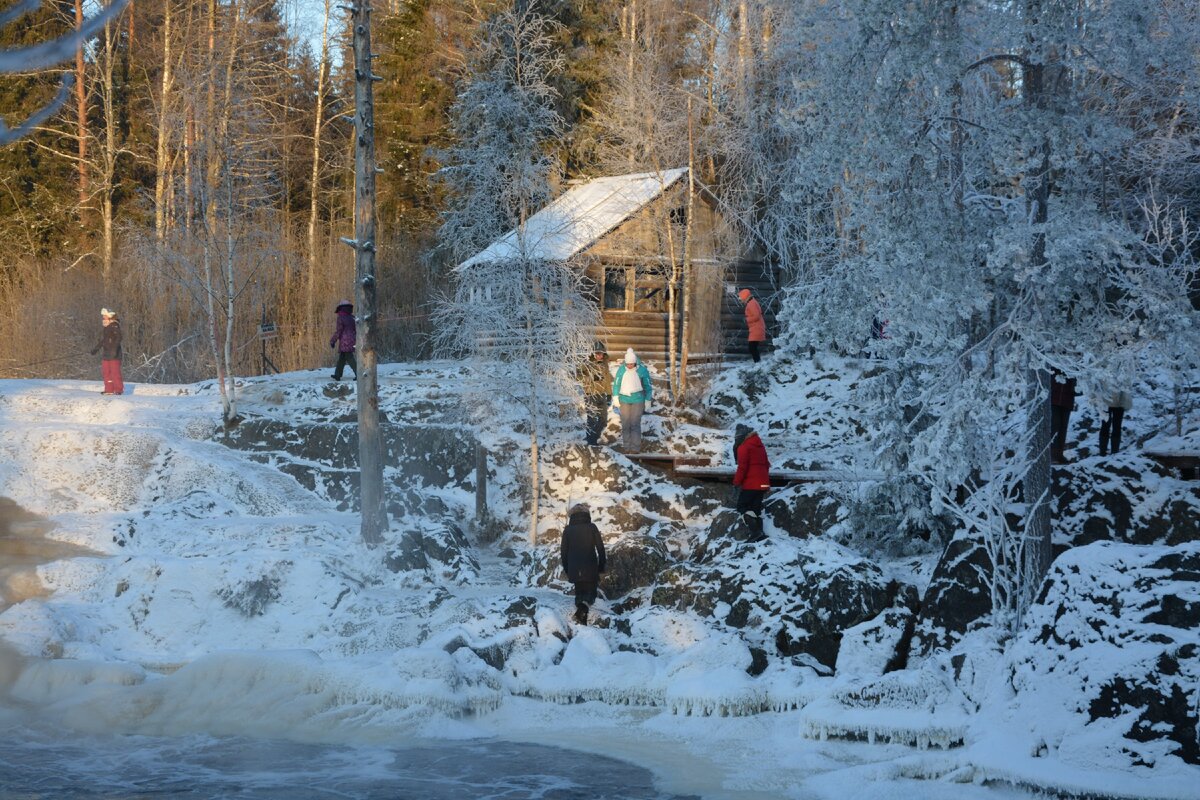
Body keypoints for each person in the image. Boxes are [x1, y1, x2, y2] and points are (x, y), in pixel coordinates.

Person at [560, 503, 606, 625]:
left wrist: (568, 569)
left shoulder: (567, 530)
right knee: (590, 595)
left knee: (580, 595)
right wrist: (601, 567)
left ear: (572, 515)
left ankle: (581, 624)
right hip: (590, 568)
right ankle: (580, 619)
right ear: (586, 514)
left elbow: (563, 553)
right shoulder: (592, 527)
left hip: (575, 570)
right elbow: (600, 549)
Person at [733, 424, 771, 536]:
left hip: (751, 484)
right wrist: (764, 482)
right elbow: (767, 465)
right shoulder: (759, 445)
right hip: (763, 483)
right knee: (755, 509)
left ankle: (756, 532)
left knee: (742, 506)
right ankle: (760, 533)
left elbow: (742, 467)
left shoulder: (744, 447)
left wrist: (736, 482)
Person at [612, 348, 652, 453]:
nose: (629, 366)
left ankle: (635, 448)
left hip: (638, 400)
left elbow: (648, 386)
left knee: (635, 423)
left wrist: (648, 400)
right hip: (624, 399)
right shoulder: (621, 370)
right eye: (628, 364)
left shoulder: (642, 370)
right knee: (625, 423)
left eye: (631, 364)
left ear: (635, 362)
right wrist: (615, 397)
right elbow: (617, 384)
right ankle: (626, 447)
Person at [579, 341, 611, 446]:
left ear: (604, 354)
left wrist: (609, 394)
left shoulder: (605, 364)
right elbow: (578, 375)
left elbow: (607, 380)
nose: (599, 355)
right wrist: (591, 378)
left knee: (603, 420)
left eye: (601, 353)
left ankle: (593, 438)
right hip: (590, 394)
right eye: (597, 353)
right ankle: (591, 442)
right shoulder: (587, 363)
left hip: (602, 395)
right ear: (593, 354)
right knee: (591, 419)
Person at [90, 308, 123, 396]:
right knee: (106, 373)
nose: (103, 319)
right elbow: (104, 341)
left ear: (110, 317)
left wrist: (114, 350)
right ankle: (109, 390)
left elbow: (119, 338)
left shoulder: (115, 325)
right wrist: (96, 349)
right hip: (106, 354)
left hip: (114, 355)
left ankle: (118, 390)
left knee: (115, 373)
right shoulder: (107, 327)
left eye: (104, 317)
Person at [1050, 372, 1077, 464]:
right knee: (1055, 426)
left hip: (1067, 399)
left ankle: (1059, 454)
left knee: (1063, 428)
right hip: (1053, 399)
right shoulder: (1054, 362)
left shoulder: (1073, 363)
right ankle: (1053, 454)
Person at [1099, 388, 1133, 456]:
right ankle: (1114, 452)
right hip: (1119, 402)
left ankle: (1103, 452)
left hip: (1106, 401)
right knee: (1116, 427)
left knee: (1105, 426)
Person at [329, 299, 357, 380]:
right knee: (342, 358)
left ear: (341, 308)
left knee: (350, 358)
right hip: (352, 340)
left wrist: (333, 341)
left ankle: (359, 374)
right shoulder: (352, 317)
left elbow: (339, 331)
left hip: (345, 341)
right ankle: (337, 375)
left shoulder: (341, 318)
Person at [738, 288, 767, 363]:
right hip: (756, 328)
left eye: (741, 298)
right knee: (753, 347)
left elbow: (757, 316)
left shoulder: (751, 304)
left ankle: (758, 363)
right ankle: (758, 363)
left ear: (745, 297)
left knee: (752, 348)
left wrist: (747, 320)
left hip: (757, 328)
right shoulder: (752, 302)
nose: (740, 300)